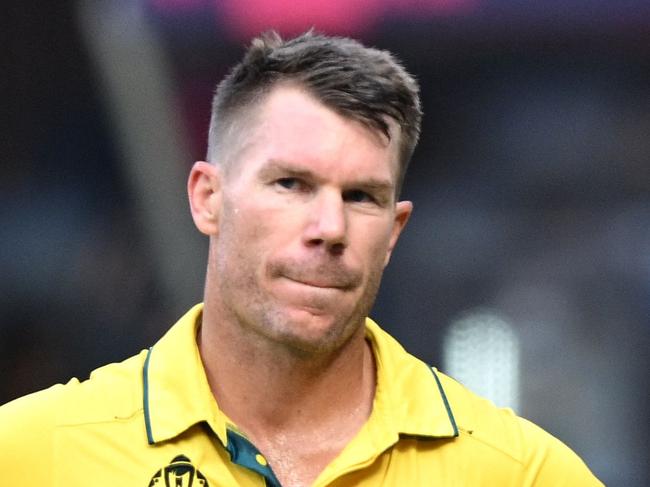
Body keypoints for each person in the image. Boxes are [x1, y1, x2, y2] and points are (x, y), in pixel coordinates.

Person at [0, 31, 602, 487]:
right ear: (208, 199)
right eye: (290, 184)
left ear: (394, 231)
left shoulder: (520, 472)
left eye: (361, 196)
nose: (330, 228)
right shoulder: (32, 454)